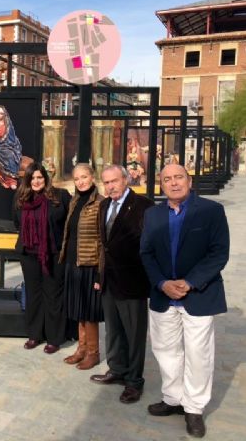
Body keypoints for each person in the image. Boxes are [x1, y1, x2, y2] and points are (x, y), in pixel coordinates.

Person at [140, 164, 229, 438]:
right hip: (163, 295)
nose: (174, 183)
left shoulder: (211, 211)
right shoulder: (152, 214)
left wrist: (189, 282)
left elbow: (218, 253)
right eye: (167, 179)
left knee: (198, 355)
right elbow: (146, 253)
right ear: (161, 184)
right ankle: (173, 398)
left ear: (189, 181)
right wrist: (162, 283)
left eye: (179, 177)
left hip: (199, 294)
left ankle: (193, 408)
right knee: (165, 350)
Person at [89, 165, 154, 404]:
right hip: (109, 280)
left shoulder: (144, 206)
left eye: (114, 181)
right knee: (113, 330)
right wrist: (99, 276)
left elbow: (150, 244)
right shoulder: (104, 206)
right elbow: (103, 245)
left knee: (134, 334)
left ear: (125, 180)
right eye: (106, 182)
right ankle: (117, 369)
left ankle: (134, 381)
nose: (110, 186)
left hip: (133, 281)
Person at [14, 162, 71, 354]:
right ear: (27, 180)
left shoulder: (60, 196)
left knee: (53, 295)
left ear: (45, 178)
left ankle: (54, 338)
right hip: (29, 255)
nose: (36, 181)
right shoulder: (20, 199)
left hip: (53, 255)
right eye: (32, 178)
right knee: (33, 294)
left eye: (39, 177)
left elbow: (68, 223)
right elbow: (16, 223)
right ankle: (34, 334)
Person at [59, 163, 104, 370]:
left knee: (89, 311)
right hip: (73, 262)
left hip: (90, 264)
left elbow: (103, 240)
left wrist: (100, 271)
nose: (81, 182)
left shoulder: (100, 203)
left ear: (92, 177)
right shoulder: (74, 201)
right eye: (77, 178)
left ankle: (93, 353)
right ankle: (81, 349)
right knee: (78, 309)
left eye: (84, 177)